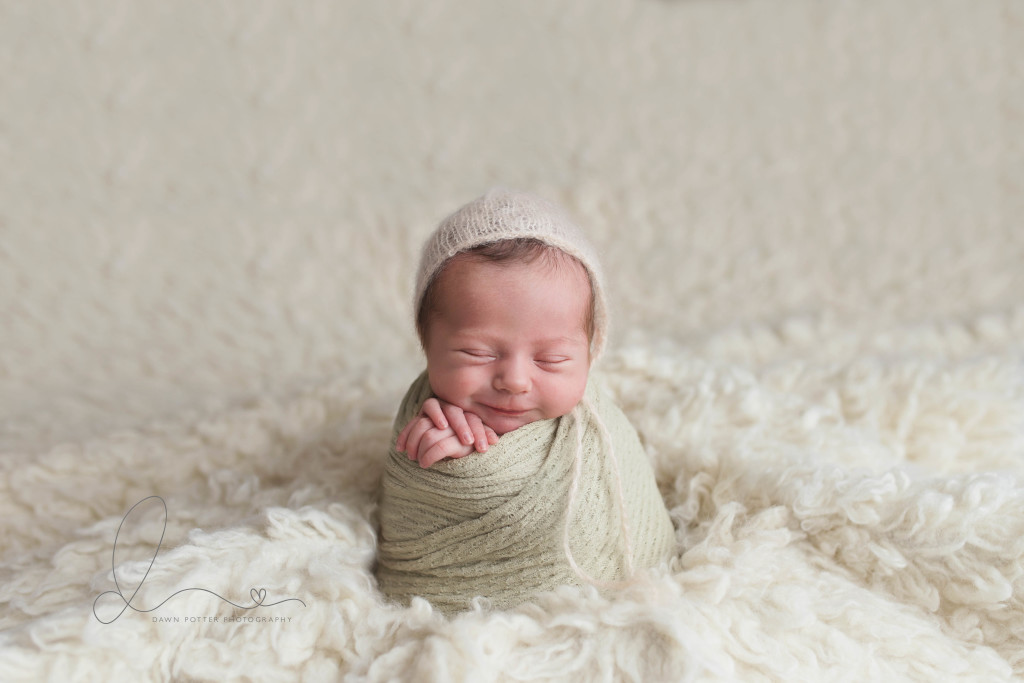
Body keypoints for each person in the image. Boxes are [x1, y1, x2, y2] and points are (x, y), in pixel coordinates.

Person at [375, 187, 675, 613]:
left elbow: (625, 522)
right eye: (476, 353)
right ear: (427, 344)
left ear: (590, 352)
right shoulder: (422, 419)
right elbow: (413, 511)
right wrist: (455, 472)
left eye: (552, 359)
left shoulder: (596, 433)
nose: (514, 381)